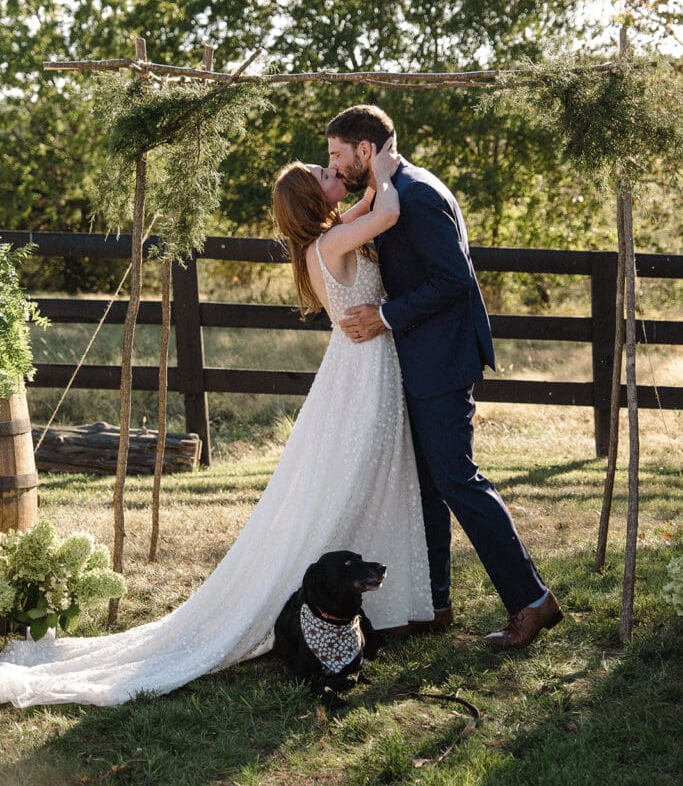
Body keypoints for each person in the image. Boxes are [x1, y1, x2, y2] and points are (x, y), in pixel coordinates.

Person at [0, 142, 432, 709]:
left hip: (361, 367)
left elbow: (366, 209)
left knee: (364, 478)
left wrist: (368, 181)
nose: (337, 176)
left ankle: (381, 602)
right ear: (311, 200)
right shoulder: (329, 243)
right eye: (328, 174)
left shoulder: (323, 238)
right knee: (352, 480)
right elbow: (389, 213)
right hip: (361, 370)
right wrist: (381, 167)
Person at [326, 104, 563, 648]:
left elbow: (454, 280)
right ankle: (435, 602)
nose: (334, 165)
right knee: (428, 485)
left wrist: (384, 316)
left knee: (458, 480)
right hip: (417, 362)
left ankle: (532, 601)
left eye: (338, 154)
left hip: (441, 362)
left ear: (366, 150)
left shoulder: (418, 194)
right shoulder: (394, 191)